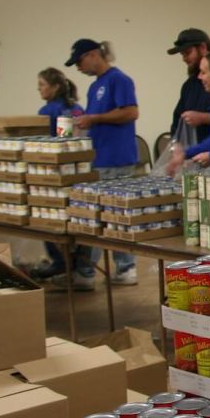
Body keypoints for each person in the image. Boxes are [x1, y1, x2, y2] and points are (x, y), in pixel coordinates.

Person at [58, 38, 139, 289]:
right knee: (93, 218)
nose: (78, 68)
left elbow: (131, 112)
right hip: (99, 158)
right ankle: (86, 272)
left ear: (94, 55)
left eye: (80, 61)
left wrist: (95, 118)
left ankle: (126, 267)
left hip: (117, 158)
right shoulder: (95, 87)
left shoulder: (119, 80)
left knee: (116, 217)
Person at [31, 68, 85, 280]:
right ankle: (78, 264)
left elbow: (40, 143)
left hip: (53, 173)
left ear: (55, 87)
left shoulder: (46, 111)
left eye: (42, 85)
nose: (39, 89)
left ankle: (60, 263)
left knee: (50, 219)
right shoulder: (78, 108)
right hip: (78, 170)